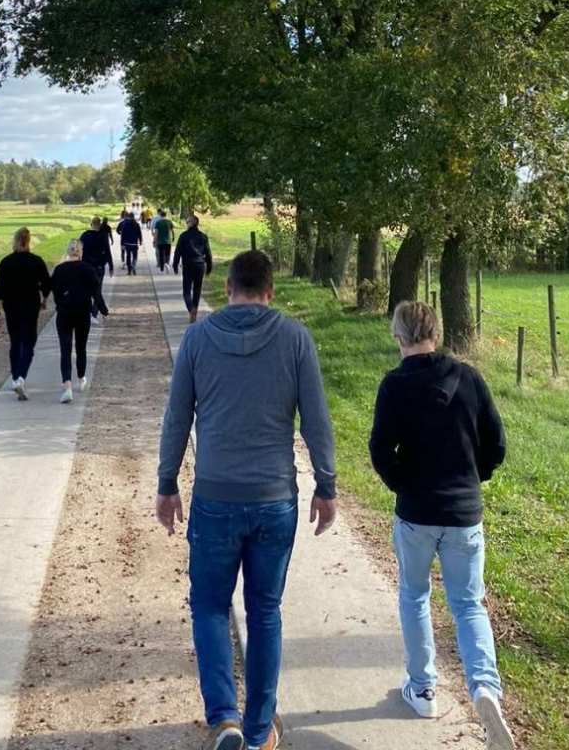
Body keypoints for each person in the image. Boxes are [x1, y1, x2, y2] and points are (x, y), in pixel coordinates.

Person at [156, 250, 337, 750]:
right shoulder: (295, 339)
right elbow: (316, 420)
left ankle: (224, 720)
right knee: (265, 612)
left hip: (215, 497)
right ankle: (259, 730)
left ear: (228, 287)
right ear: (270, 291)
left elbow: (177, 419)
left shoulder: (197, 340)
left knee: (211, 607)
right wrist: (326, 485)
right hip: (275, 498)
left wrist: (167, 484)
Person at [369, 301, 513, 750]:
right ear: (438, 331)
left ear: (399, 338)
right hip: (464, 514)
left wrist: (403, 485)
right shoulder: (469, 378)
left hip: (415, 513)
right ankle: (485, 686)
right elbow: (496, 444)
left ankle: (423, 688)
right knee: (469, 605)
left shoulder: (393, 386)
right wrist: (474, 477)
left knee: (414, 596)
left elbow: (379, 450)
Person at [0, 226, 51, 400]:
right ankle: (21, 378)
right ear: (29, 240)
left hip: (11, 305)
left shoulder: (6, 262)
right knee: (29, 343)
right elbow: (47, 283)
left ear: (15, 241)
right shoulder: (36, 261)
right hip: (30, 305)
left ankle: (15, 376)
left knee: (15, 342)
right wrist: (44, 299)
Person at [50, 240, 109, 403]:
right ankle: (81, 377)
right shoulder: (88, 269)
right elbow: (96, 293)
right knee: (81, 347)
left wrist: (60, 302)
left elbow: (54, 290)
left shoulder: (60, 270)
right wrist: (104, 311)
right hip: (82, 313)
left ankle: (67, 385)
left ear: (68, 252)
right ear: (80, 252)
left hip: (64, 313)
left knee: (65, 349)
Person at [173, 214, 213, 322]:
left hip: (188, 265)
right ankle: (195, 309)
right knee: (197, 290)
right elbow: (208, 253)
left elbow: (178, 251)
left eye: (188, 222)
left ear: (192, 223)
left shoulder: (184, 236)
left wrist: (175, 264)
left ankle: (191, 309)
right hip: (200, 265)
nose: (187, 223)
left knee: (186, 290)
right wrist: (209, 267)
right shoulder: (203, 236)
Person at [79, 216, 115, 314]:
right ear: (99, 225)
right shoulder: (103, 236)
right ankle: (95, 312)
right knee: (97, 289)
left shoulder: (84, 235)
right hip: (99, 267)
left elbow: (79, 251)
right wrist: (111, 266)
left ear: (91, 224)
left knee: (87, 289)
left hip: (86, 266)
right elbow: (108, 251)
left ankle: (90, 309)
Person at [118, 210, 143, 275]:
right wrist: (140, 241)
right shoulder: (136, 224)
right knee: (135, 256)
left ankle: (129, 271)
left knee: (128, 256)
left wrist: (122, 244)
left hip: (127, 244)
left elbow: (123, 235)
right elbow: (139, 233)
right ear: (134, 217)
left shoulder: (125, 224)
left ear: (128, 217)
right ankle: (133, 265)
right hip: (134, 243)